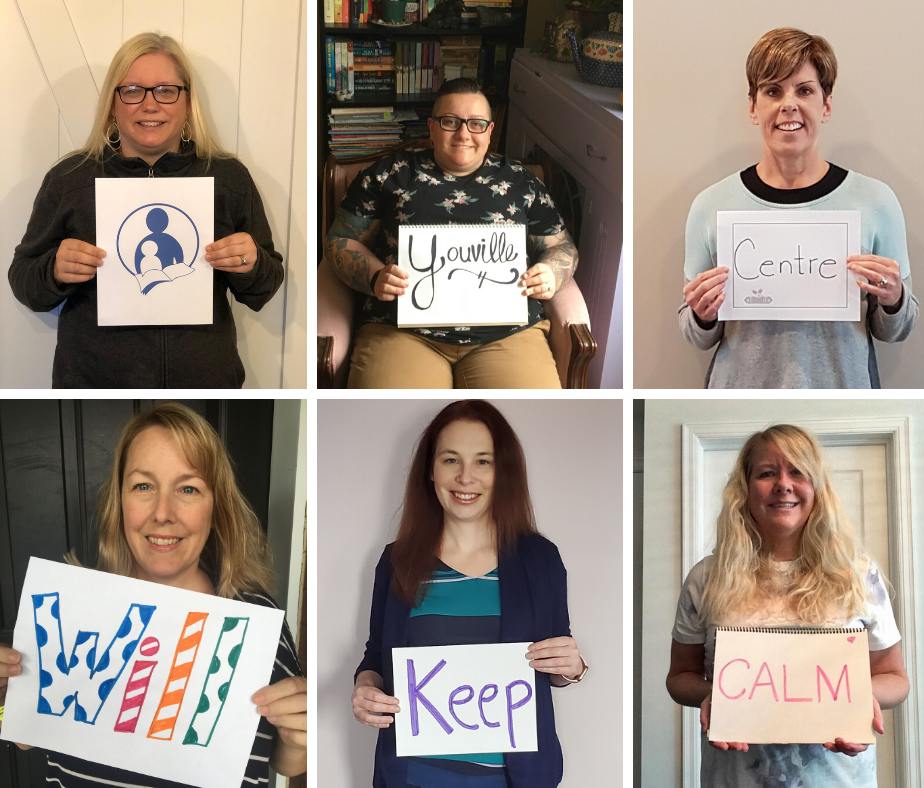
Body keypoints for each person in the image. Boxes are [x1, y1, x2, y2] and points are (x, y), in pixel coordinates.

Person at [0, 403, 306, 785]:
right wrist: (4, 701)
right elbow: (25, 735)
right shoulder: (72, 612)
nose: (163, 512)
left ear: (216, 506)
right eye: (143, 485)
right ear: (120, 501)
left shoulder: (258, 624)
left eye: (188, 488)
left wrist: (299, 739)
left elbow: (284, 762)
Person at [8, 33, 284, 388]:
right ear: (113, 103)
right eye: (133, 90)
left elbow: (265, 287)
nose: (150, 105)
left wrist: (251, 261)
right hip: (95, 382)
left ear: (187, 102)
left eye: (166, 90)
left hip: (205, 380)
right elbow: (23, 279)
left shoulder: (227, 177)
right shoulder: (69, 179)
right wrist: (54, 269)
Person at [351, 400, 587, 787]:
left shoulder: (540, 560)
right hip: (413, 777)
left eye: (483, 461)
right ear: (430, 470)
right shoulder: (398, 560)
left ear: (503, 472)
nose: (465, 477)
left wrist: (573, 668)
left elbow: (554, 664)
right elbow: (376, 657)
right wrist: (365, 688)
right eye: (450, 460)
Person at [666, 424, 909, 787]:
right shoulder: (706, 578)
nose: (783, 484)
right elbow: (679, 678)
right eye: (766, 473)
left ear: (817, 488)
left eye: (798, 472)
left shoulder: (858, 574)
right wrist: (713, 697)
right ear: (745, 490)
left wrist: (858, 700)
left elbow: (895, 678)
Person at [680, 28, 918, 388]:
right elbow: (696, 335)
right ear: (753, 107)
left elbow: (898, 328)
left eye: (804, 90)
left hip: (843, 392)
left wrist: (894, 298)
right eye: (772, 90)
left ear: (826, 105)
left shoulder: (876, 201)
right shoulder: (711, 205)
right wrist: (702, 314)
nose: (788, 103)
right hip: (739, 393)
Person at [325, 79, 579, 388]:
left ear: (490, 130)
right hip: (401, 331)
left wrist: (552, 272)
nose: (463, 134)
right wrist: (375, 275)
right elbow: (340, 240)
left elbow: (562, 246)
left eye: (476, 124)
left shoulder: (521, 182)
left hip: (508, 332)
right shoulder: (388, 174)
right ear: (431, 127)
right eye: (450, 122)